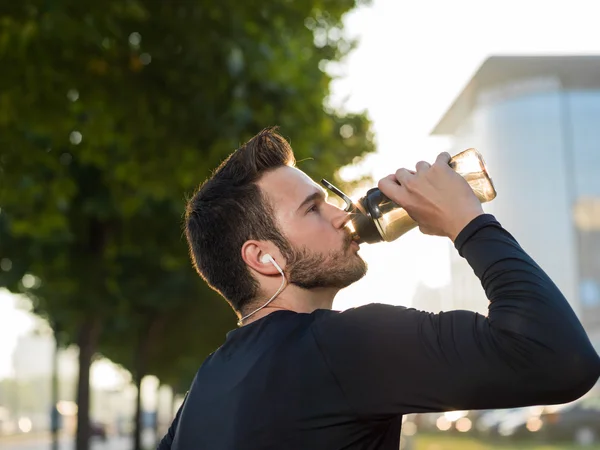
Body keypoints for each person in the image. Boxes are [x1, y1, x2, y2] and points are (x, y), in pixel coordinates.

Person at [158, 128, 600, 450]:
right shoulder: (343, 345)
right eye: (313, 209)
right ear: (263, 258)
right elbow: (560, 357)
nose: (339, 214)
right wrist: (468, 221)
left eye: (328, 197)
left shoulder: (204, 388)